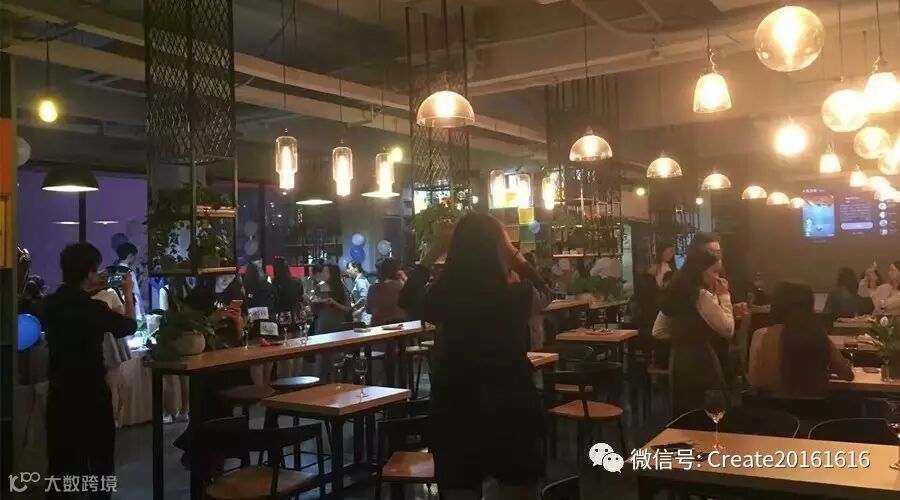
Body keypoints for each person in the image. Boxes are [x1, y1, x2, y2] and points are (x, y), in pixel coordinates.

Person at [400, 214, 551, 499]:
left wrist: (435, 249)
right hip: (512, 410)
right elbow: (545, 289)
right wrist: (514, 254)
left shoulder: (444, 297)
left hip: (456, 411)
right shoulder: (519, 294)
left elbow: (406, 299)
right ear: (499, 247)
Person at [42, 243, 137, 499]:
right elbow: (129, 326)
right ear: (88, 273)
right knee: (99, 461)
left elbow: (70, 300)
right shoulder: (94, 309)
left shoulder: (50, 305)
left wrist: (89, 290)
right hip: (91, 395)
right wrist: (128, 293)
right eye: (95, 270)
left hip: (59, 394)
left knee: (61, 463)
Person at [653, 249, 734, 415]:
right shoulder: (702, 295)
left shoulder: (676, 292)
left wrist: (682, 336)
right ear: (701, 270)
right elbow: (728, 329)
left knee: (684, 413)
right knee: (708, 412)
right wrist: (724, 296)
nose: (718, 277)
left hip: (678, 359)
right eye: (715, 272)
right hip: (703, 360)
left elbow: (658, 331)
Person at [748, 281, 853, 398]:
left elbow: (754, 381)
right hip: (814, 408)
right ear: (809, 305)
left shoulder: (761, 335)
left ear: (777, 305)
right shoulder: (818, 335)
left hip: (772, 407)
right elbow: (847, 375)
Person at [312, 263, 352, 334]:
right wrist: (313, 303)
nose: (323, 274)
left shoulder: (341, 288)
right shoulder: (318, 287)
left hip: (338, 326)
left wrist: (335, 303)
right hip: (322, 326)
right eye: (323, 271)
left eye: (326, 271)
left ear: (333, 274)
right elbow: (314, 311)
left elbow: (348, 309)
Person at [366, 258, 406, 326]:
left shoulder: (373, 288)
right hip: (401, 326)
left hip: (378, 327)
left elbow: (368, 310)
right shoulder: (402, 286)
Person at [114, 242, 144, 317]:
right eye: (135, 256)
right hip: (130, 304)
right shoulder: (128, 272)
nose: (135, 259)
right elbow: (135, 291)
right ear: (130, 256)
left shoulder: (115, 270)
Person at [272, 257, 303, 322]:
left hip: (282, 318)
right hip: (296, 317)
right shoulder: (297, 281)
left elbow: (274, 303)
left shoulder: (274, 285)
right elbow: (301, 299)